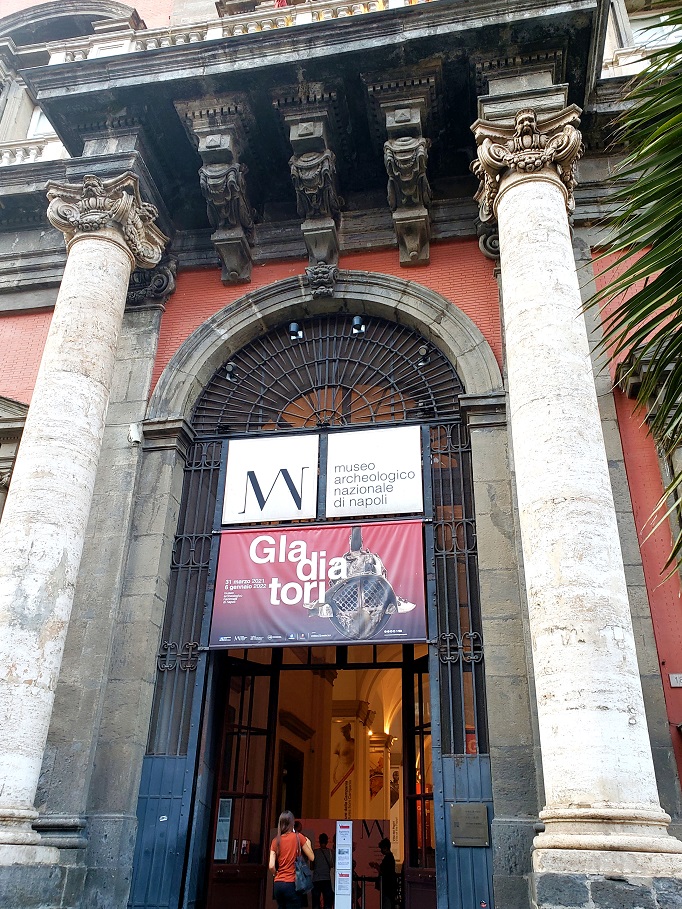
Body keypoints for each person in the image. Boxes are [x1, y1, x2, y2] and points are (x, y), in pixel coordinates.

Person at [269, 810, 315, 909]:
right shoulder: (299, 837)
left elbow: (271, 866)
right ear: (292, 823)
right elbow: (312, 857)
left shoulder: (275, 841)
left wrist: (276, 873)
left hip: (278, 885)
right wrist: (309, 843)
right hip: (292, 884)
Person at [370, 838, 397, 909]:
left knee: (386, 903)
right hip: (389, 887)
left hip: (387, 886)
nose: (381, 851)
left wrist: (377, 867)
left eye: (382, 849)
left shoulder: (388, 858)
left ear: (385, 848)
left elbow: (384, 871)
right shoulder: (390, 858)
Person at [311, 832, 334, 909]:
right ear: (327, 841)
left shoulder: (314, 852)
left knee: (316, 904)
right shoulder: (331, 852)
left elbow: (312, 867)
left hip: (316, 879)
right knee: (327, 903)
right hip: (327, 879)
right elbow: (332, 865)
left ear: (319, 841)